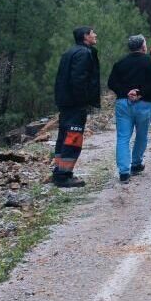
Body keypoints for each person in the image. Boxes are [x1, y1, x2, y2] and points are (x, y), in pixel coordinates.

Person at [108, 35, 151, 183]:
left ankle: (124, 172)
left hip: (123, 103)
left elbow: (111, 82)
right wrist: (140, 93)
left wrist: (127, 92)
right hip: (144, 103)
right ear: (143, 47)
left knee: (123, 137)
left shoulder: (120, 63)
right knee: (141, 135)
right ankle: (136, 164)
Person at [51, 26, 101, 188]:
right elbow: (78, 80)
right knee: (73, 137)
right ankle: (64, 176)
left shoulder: (69, 52)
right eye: (93, 33)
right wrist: (83, 101)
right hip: (75, 104)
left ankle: (58, 170)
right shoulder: (84, 53)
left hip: (65, 102)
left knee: (63, 135)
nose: (95, 35)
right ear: (86, 36)